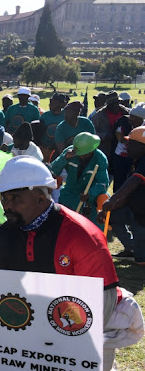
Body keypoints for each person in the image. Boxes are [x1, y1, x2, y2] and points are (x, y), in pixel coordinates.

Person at [0, 156, 143, 371]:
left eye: (14, 197)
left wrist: (64, 335)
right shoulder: (7, 231)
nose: (7, 205)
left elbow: (101, 298)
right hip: (30, 307)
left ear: (41, 198)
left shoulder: (82, 234)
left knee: (96, 331)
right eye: (4, 198)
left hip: (79, 310)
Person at [100, 126, 145, 262]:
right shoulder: (136, 161)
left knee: (141, 260)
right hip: (135, 210)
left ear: (142, 147)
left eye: (130, 144)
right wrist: (111, 206)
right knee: (111, 215)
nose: (126, 147)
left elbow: (134, 181)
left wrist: (112, 199)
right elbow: (131, 193)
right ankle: (131, 248)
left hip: (142, 217)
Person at [50, 132, 109, 228]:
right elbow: (53, 171)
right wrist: (64, 158)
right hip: (70, 193)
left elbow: (103, 184)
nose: (79, 156)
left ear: (91, 151)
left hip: (90, 197)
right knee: (62, 221)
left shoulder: (100, 159)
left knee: (92, 222)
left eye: (82, 154)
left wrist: (90, 193)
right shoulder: (70, 152)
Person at [112, 102, 145, 192]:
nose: (130, 118)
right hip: (121, 155)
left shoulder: (143, 128)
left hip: (136, 158)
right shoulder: (124, 122)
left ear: (140, 119)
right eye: (130, 116)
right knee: (119, 179)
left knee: (131, 180)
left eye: (133, 117)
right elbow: (120, 137)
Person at [90, 91, 129, 159]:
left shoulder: (126, 113)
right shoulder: (98, 116)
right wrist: (105, 136)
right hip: (106, 148)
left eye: (116, 103)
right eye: (112, 104)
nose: (115, 105)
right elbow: (92, 132)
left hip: (123, 148)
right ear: (107, 104)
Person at [39, 92, 68, 160]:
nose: (50, 104)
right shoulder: (45, 115)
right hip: (44, 149)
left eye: (53, 102)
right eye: (50, 101)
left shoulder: (66, 116)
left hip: (58, 151)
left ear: (61, 104)